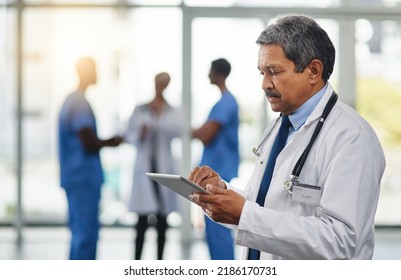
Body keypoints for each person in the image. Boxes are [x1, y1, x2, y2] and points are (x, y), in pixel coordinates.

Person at [188, 14, 386, 260]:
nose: (264, 84)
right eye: (262, 72)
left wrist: (245, 216)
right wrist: (223, 192)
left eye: (274, 71)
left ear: (313, 71)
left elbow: (342, 243)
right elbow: (266, 203)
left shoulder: (353, 138)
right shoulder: (281, 126)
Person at [58, 56, 122, 260]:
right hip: (83, 179)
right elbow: (88, 141)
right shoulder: (79, 103)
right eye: (94, 69)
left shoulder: (72, 100)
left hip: (76, 178)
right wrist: (112, 142)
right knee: (86, 236)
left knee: (79, 234)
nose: (97, 74)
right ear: (85, 72)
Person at [124, 72, 184, 260]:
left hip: (163, 168)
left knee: (162, 219)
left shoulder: (171, 110)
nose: (161, 86)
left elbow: (177, 130)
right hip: (144, 169)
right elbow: (128, 134)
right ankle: (137, 263)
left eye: (164, 84)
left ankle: (160, 262)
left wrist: (159, 118)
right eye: (159, 83)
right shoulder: (140, 109)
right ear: (155, 84)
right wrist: (140, 133)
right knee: (142, 220)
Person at [192, 58, 240, 260]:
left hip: (219, 171)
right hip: (217, 169)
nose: (207, 75)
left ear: (218, 73)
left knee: (218, 226)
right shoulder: (222, 103)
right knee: (212, 228)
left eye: (210, 71)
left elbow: (206, 134)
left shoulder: (226, 103)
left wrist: (191, 130)